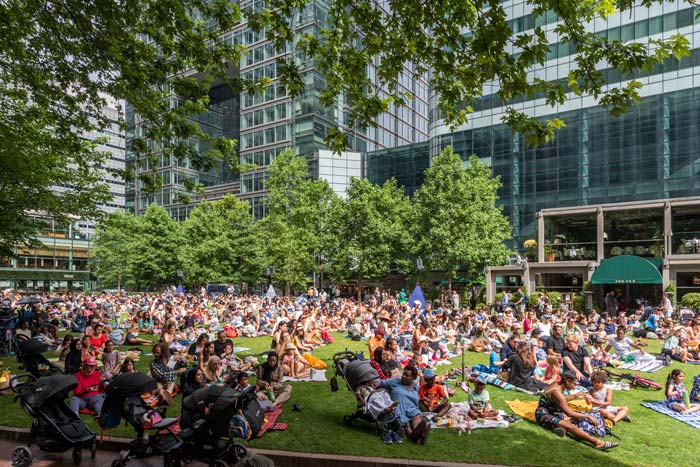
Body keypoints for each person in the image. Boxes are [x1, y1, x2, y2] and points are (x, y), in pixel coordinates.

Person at [536, 370, 619, 450]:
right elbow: (569, 413)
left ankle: (557, 428)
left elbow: (560, 400)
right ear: (567, 381)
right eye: (574, 383)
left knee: (576, 418)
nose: (575, 386)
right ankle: (597, 443)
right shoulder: (557, 392)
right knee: (572, 426)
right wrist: (588, 417)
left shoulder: (557, 384)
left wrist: (575, 396)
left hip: (551, 412)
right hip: (544, 415)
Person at [378, 365, 428, 444]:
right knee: (405, 422)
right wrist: (372, 383)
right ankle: (417, 437)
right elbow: (381, 382)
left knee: (417, 415)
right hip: (399, 409)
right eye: (403, 374)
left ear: (413, 378)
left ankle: (419, 433)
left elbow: (416, 399)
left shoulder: (415, 386)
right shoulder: (395, 381)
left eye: (407, 376)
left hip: (412, 409)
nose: (403, 377)